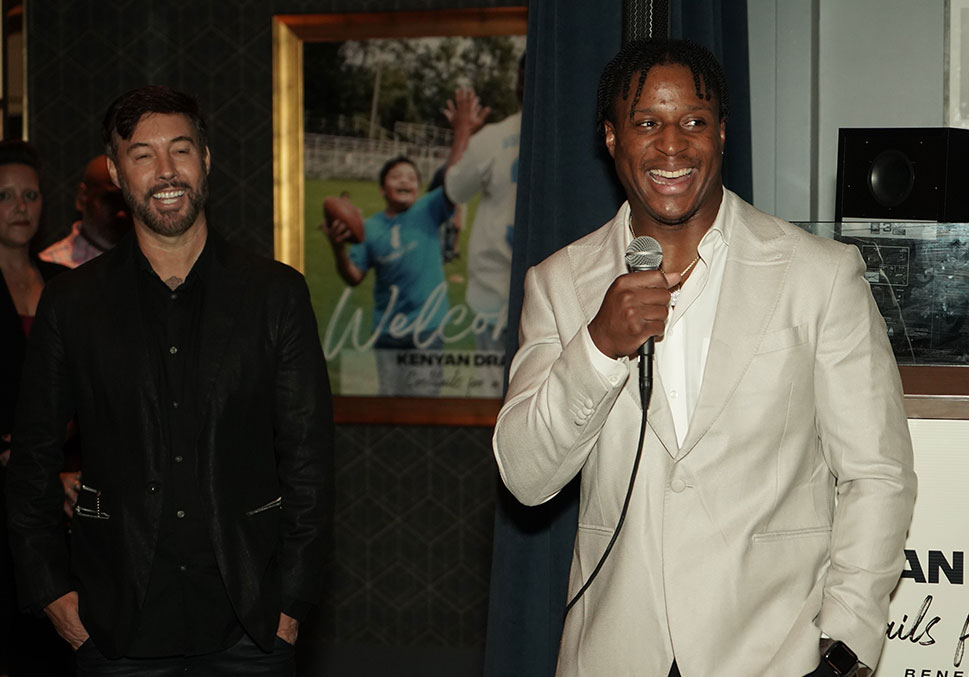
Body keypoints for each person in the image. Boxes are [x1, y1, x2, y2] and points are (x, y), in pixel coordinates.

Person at [492, 39, 916, 676]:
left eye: (694, 121)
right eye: (647, 123)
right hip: (615, 653)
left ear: (722, 134)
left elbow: (877, 475)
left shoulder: (818, 275)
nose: (672, 145)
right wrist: (599, 346)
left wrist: (846, 643)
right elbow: (526, 478)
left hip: (778, 654)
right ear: (611, 138)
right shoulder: (559, 283)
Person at [6, 85, 335, 675]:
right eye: (142, 154)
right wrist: (51, 594)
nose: (166, 171)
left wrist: (291, 604)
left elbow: (310, 461)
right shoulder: (72, 304)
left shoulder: (275, 295)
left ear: (205, 159)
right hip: (114, 631)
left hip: (253, 631)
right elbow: (32, 460)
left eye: (181, 150)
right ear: (114, 171)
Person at [321, 87, 489, 396]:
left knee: (427, 404)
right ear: (382, 188)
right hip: (387, 332)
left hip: (427, 329)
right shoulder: (370, 228)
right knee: (392, 404)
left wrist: (462, 132)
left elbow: (453, 176)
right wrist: (337, 248)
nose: (405, 180)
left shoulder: (428, 209)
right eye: (397, 176)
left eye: (412, 177)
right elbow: (353, 276)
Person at [0, 139, 75, 676]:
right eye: (4, 196)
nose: (21, 206)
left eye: (30, 194)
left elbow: (90, 391)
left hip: (65, 493)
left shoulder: (65, 286)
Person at [444, 54, 524, 352]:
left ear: (518, 82)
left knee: (494, 397)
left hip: (494, 301)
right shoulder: (585, 139)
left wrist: (462, 132)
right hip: (559, 303)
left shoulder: (493, 138)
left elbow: (453, 190)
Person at [38, 154, 130, 268]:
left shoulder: (149, 261)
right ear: (82, 197)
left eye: (127, 202)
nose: (121, 213)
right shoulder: (52, 266)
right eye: (110, 199)